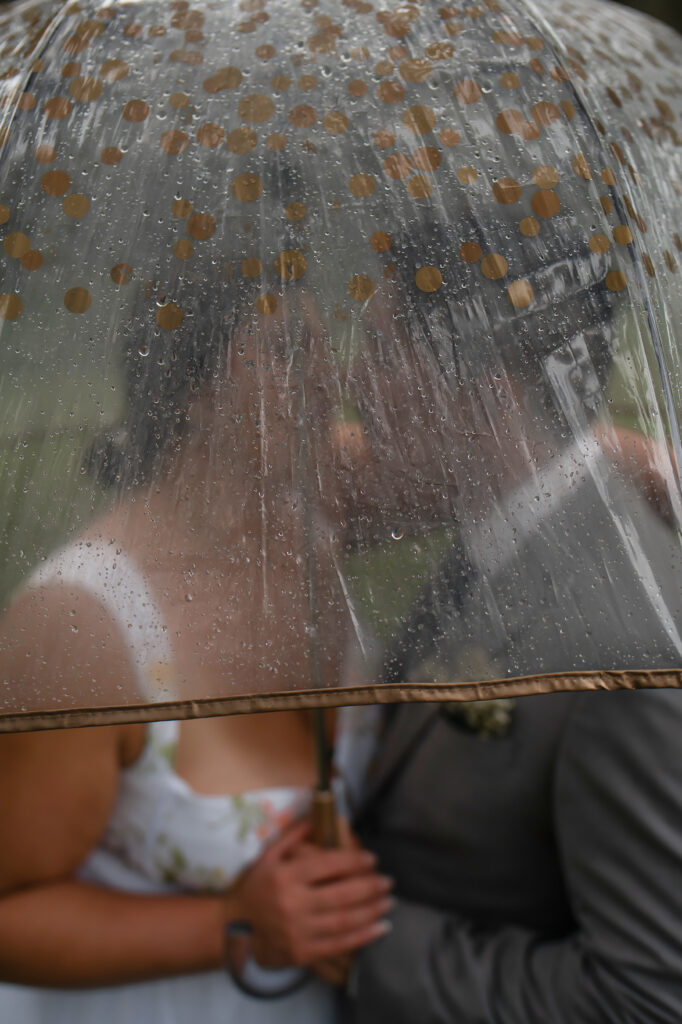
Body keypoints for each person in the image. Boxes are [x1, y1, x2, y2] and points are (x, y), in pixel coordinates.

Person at [0, 286, 392, 1022]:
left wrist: (655, 465)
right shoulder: (81, 624)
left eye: (322, 346)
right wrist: (230, 925)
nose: (324, 378)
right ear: (189, 392)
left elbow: (495, 457)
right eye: (285, 353)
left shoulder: (318, 512)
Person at [335, 221, 682, 1022]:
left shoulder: (627, 649)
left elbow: (645, 1000)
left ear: (489, 394)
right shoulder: (511, 536)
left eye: (386, 357)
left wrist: (358, 941)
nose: (356, 383)